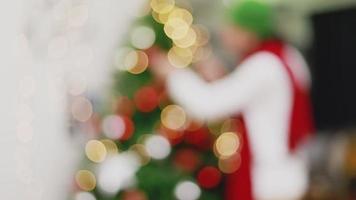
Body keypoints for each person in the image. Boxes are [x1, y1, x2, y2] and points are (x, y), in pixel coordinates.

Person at [148, 0, 315, 199]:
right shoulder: (285, 55)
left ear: (249, 32)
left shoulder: (262, 65)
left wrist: (173, 74)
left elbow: (208, 104)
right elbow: (259, 101)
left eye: (232, 27)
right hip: (289, 171)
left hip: (270, 181)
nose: (224, 33)